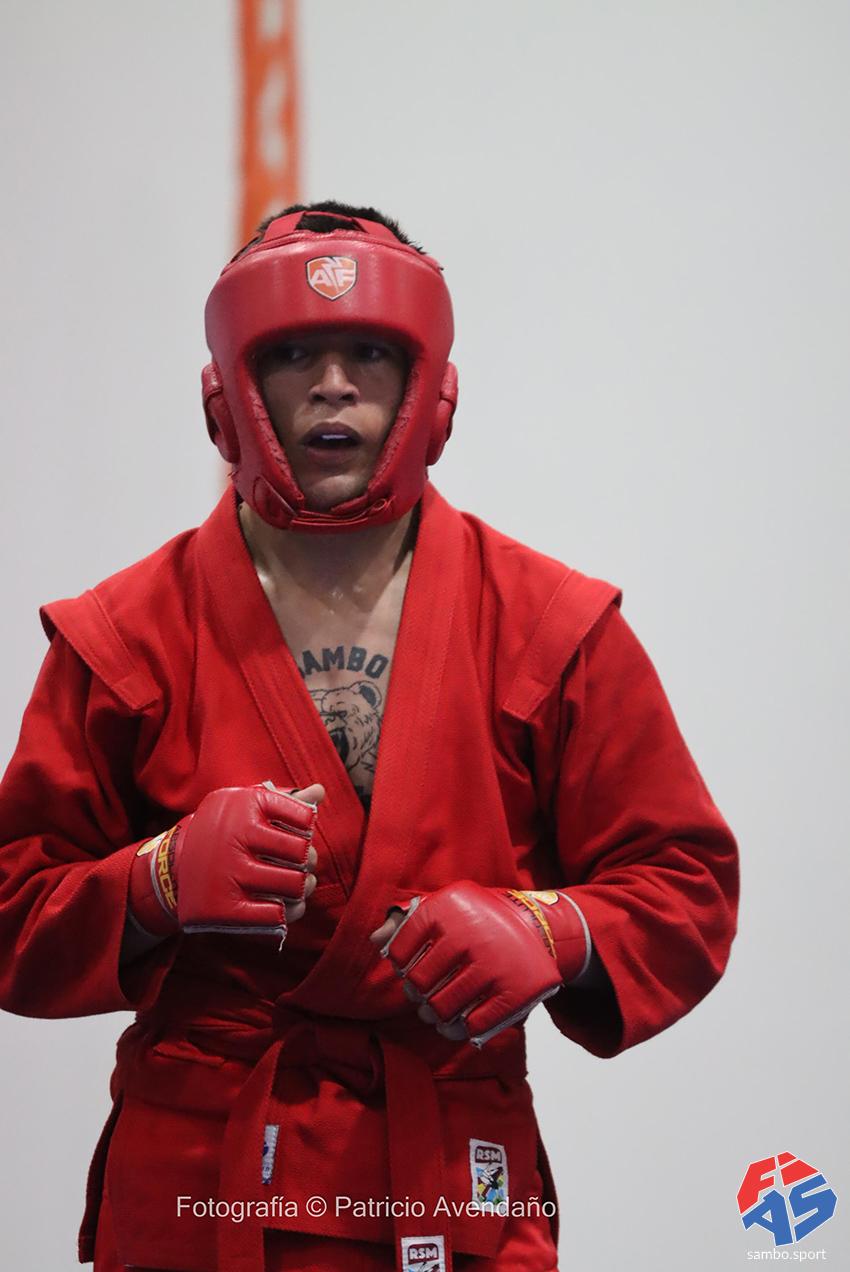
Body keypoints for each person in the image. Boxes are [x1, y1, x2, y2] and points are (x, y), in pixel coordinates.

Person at [0, 202, 739, 1272]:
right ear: (227, 394)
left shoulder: (550, 627)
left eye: (370, 353)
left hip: (450, 1173)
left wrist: (557, 933)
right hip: (200, 1186)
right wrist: (155, 883)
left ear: (433, 391)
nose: (333, 385)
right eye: (293, 353)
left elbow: (686, 884)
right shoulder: (124, 637)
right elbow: (12, 906)